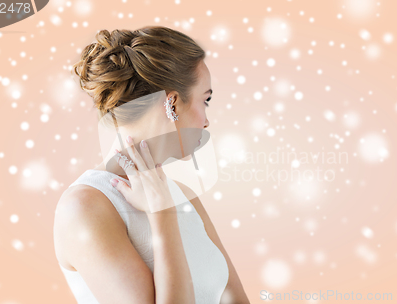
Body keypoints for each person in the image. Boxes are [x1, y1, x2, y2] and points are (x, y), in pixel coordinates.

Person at [53, 26, 250, 304]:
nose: (206, 122)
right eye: (205, 100)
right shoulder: (85, 206)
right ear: (171, 104)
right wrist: (163, 216)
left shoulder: (182, 194)